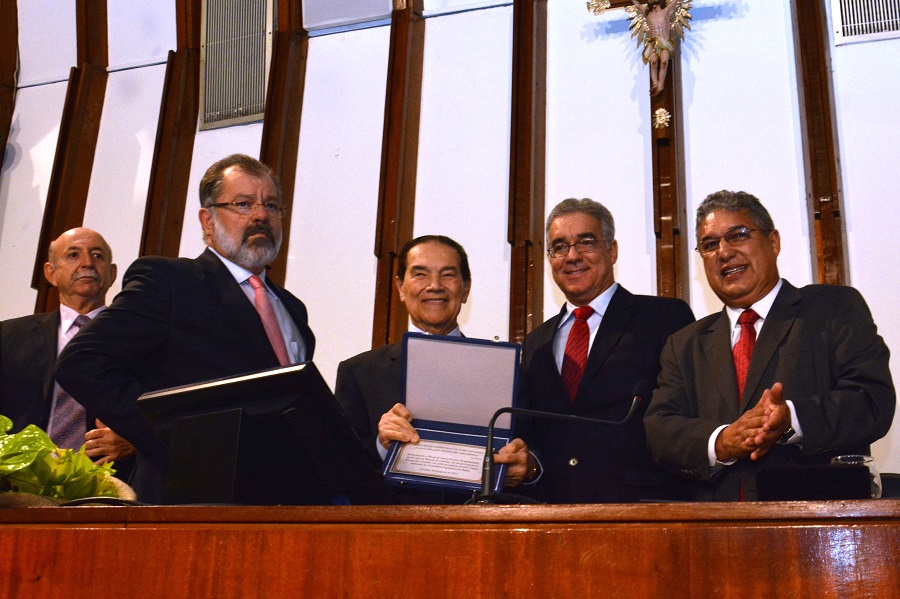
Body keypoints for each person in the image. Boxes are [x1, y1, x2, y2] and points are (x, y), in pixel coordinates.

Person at [56, 154, 316, 502]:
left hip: (279, 500)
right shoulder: (170, 282)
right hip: (188, 497)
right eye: (242, 204)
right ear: (207, 220)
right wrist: (172, 439)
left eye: (271, 205)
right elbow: (82, 362)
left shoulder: (293, 309)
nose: (260, 215)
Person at [644, 190, 895, 501]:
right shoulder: (685, 343)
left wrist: (791, 418)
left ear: (773, 242)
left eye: (738, 235)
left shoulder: (832, 308)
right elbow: (661, 431)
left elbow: (872, 400)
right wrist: (721, 441)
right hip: (715, 522)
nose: (724, 252)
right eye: (709, 245)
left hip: (814, 515)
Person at [519, 198, 695, 503]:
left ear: (612, 251)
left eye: (586, 242)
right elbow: (532, 436)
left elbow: (684, 420)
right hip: (554, 513)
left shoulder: (664, 319)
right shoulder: (535, 343)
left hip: (641, 512)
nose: (572, 256)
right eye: (559, 247)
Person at [334, 235, 530, 501]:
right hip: (392, 522)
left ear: (466, 289)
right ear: (400, 288)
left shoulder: (504, 370)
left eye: (448, 275)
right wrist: (383, 445)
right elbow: (340, 469)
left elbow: (533, 453)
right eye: (420, 274)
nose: (435, 286)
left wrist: (527, 466)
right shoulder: (359, 373)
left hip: (479, 521)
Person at [0, 228, 135, 477]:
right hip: (18, 482)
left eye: (97, 255)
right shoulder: (8, 337)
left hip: (109, 482)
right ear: (51, 273)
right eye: (73, 255)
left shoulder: (139, 339)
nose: (87, 263)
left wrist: (135, 441)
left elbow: (167, 414)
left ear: (112, 273)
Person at [630, 0, 680, 96]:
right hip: (653, 42)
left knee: (664, 62)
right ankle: (655, 83)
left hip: (664, 42)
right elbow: (637, 5)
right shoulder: (647, 14)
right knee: (653, 62)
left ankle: (661, 84)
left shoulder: (666, 11)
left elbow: (675, 1)